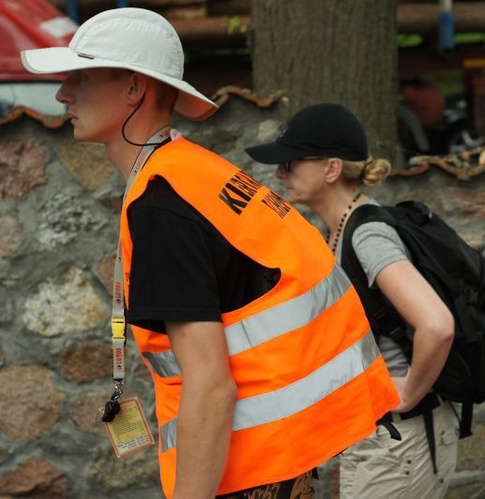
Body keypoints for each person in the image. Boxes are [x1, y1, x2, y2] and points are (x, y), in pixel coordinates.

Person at [21, 9, 399, 499]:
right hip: (284, 458)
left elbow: (211, 385)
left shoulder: (162, 205)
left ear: (135, 89)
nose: (62, 93)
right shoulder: (196, 172)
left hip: (249, 468)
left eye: (81, 77)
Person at [245, 103, 459, 499]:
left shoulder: (366, 235)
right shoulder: (338, 231)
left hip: (400, 440)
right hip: (389, 439)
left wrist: (409, 390)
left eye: (290, 163)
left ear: (331, 169)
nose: (279, 173)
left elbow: (438, 324)